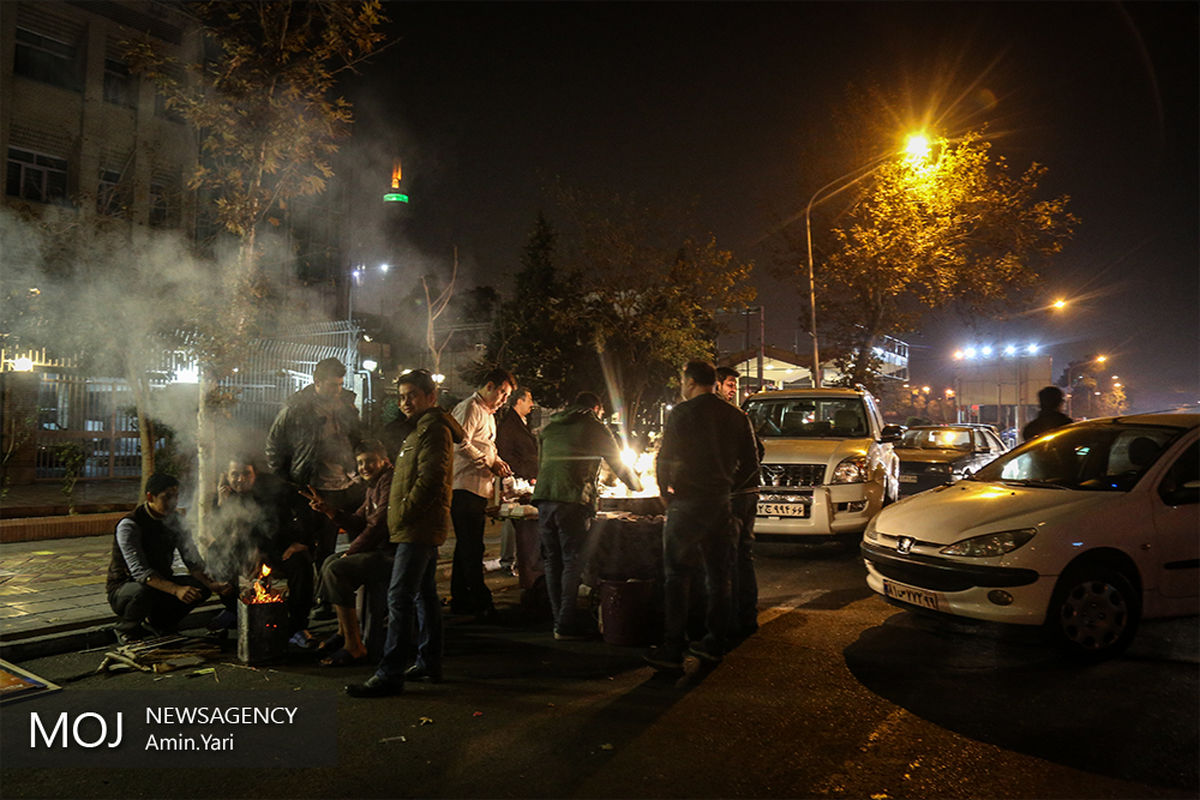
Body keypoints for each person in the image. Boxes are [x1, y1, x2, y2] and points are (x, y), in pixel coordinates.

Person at [346, 370, 466, 698]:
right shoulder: (422, 429)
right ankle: (428, 661)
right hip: (415, 526)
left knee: (398, 597)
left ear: (431, 396)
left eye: (412, 395)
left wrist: (405, 511)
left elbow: (430, 478)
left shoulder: (433, 430)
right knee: (423, 596)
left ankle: (390, 673)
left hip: (417, 527)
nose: (405, 402)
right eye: (401, 397)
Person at [645, 361, 759, 671]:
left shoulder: (682, 413)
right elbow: (753, 462)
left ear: (691, 381)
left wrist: (665, 494)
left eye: (683, 381)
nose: (681, 387)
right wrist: (727, 487)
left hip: (687, 502)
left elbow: (664, 458)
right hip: (720, 504)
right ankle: (714, 644)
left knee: (677, 575)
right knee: (719, 576)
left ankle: (673, 647)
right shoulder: (736, 416)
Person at [531, 391, 642, 640]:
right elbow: (617, 461)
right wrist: (637, 486)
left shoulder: (551, 426)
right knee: (573, 561)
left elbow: (542, 464)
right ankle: (566, 623)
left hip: (544, 498)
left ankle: (559, 619)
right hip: (572, 499)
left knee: (552, 561)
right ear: (597, 408)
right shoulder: (594, 425)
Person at [265, 357, 365, 620]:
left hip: (344, 483)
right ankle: (314, 600)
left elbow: (356, 439)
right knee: (310, 546)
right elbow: (274, 446)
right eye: (332, 386)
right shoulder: (297, 409)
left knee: (330, 546)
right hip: (312, 486)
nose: (337, 390)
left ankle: (328, 598)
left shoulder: (347, 406)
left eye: (340, 385)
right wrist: (287, 481)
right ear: (316, 382)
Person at [107, 473, 232, 644]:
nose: (174, 502)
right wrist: (176, 590)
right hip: (125, 588)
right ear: (150, 496)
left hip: (162, 582)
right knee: (143, 590)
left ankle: (161, 624)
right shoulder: (130, 525)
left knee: (199, 588)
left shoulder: (176, 521)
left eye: (176, 496)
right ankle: (127, 629)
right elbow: (140, 573)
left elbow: (192, 560)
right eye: (167, 497)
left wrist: (211, 584)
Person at [303, 440, 395, 667]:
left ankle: (354, 646)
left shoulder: (389, 483)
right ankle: (344, 632)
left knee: (337, 568)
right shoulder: (374, 486)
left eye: (370, 461)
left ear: (384, 461)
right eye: (361, 463)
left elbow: (377, 527)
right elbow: (358, 521)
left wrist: (351, 552)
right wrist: (329, 510)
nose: (365, 467)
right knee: (328, 562)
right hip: (378, 548)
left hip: (392, 552)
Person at [448, 367, 516, 619]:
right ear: (489, 386)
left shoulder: (488, 414)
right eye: (502, 393)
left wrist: (497, 460)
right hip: (463, 486)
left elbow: (487, 445)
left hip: (478, 487)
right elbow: (460, 442)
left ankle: (461, 599)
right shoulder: (469, 408)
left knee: (466, 547)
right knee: (472, 547)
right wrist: (489, 462)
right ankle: (479, 600)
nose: (504, 400)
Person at [206, 455, 300, 635]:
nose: (240, 479)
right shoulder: (223, 495)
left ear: (254, 475)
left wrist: (261, 551)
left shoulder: (268, 493)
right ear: (227, 476)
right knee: (216, 552)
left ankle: (297, 623)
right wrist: (222, 505)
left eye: (246, 474)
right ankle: (234, 609)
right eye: (235, 474)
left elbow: (274, 528)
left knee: (299, 561)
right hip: (242, 550)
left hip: (275, 548)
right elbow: (220, 535)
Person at [715, 366, 763, 641]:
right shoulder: (734, 415)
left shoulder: (733, 416)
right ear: (717, 385)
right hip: (745, 492)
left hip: (738, 495)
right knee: (740, 556)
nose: (733, 390)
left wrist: (730, 484)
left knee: (732, 556)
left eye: (734, 385)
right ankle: (745, 616)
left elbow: (757, 453)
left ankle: (738, 618)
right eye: (729, 384)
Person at [494, 387, 539, 575]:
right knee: (513, 518)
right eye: (529, 400)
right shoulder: (509, 425)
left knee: (519, 519)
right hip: (515, 479)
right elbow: (507, 453)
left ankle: (518, 560)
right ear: (518, 401)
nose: (532, 404)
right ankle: (508, 561)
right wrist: (525, 473)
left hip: (524, 477)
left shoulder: (522, 422)